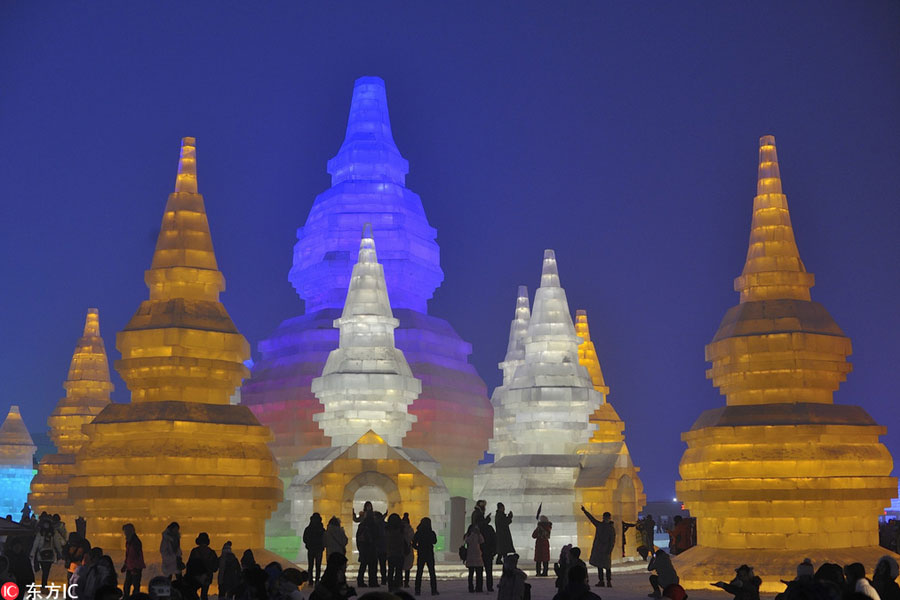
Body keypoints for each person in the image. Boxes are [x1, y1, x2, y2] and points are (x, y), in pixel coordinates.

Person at [581, 507, 614, 588]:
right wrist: (585, 511)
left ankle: (607, 581)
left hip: (603, 549)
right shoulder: (607, 527)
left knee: (606, 566)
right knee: (601, 566)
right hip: (600, 549)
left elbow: (612, 541)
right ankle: (603, 581)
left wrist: (610, 550)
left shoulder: (608, 528)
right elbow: (591, 518)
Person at [30, 518, 61, 593]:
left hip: (46, 554)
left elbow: (36, 544)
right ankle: (44, 586)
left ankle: (44, 585)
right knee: (45, 571)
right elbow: (36, 544)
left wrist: (32, 553)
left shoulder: (46, 533)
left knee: (46, 571)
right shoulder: (47, 533)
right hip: (45, 555)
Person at [185, 532, 218, 600]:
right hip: (207, 577)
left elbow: (189, 565)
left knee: (193, 593)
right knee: (204, 594)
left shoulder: (194, 551)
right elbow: (215, 568)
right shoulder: (212, 552)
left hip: (195, 577)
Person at [353, 502, 378, 588]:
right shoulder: (374, 525)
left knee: (363, 565)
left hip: (364, 548)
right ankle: (372, 581)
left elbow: (358, 537)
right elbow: (377, 537)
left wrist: (359, 547)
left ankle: (360, 581)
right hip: (371, 548)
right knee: (372, 566)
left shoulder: (362, 526)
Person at [412, 517, 437, 596]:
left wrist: (418, 548)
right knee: (432, 572)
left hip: (421, 553)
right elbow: (434, 541)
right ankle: (433, 590)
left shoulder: (418, 532)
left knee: (419, 572)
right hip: (429, 553)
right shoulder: (431, 532)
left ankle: (417, 590)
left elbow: (413, 543)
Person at [122, 523, 146, 600]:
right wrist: (125, 565)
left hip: (135, 567)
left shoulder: (135, 542)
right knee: (127, 585)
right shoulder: (130, 541)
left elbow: (136, 556)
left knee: (134, 585)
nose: (125, 533)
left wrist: (134, 567)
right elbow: (128, 554)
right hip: (130, 566)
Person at [304, 513, 326, 585]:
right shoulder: (321, 529)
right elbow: (324, 539)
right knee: (318, 566)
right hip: (319, 549)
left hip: (311, 549)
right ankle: (317, 580)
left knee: (310, 565)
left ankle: (311, 580)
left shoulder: (308, 529)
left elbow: (305, 538)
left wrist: (308, 544)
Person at [385, 514, 405, 591]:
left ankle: (390, 587)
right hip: (399, 553)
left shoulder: (387, 529)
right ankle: (397, 586)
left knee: (391, 571)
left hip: (391, 553)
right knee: (398, 571)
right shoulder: (401, 529)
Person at [464, 523, 485, 593]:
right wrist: (472, 533)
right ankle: (471, 588)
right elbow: (467, 541)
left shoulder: (478, 535)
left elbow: (482, 541)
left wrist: (479, 533)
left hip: (478, 556)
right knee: (471, 574)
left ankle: (479, 588)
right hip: (471, 557)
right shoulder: (468, 535)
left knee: (479, 574)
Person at [478, 516, 497, 592]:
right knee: (489, 571)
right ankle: (489, 587)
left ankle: (479, 587)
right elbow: (494, 540)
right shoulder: (490, 529)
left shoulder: (478, 529)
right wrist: (494, 551)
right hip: (488, 552)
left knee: (479, 571)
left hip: (480, 552)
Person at [401, 514, 414, 588]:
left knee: (399, 567)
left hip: (400, 549)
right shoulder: (410, 529)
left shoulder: (399, 529)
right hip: (408, 549)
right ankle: (406, 582)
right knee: (407, 567)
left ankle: (399, 581)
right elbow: (413, 538)